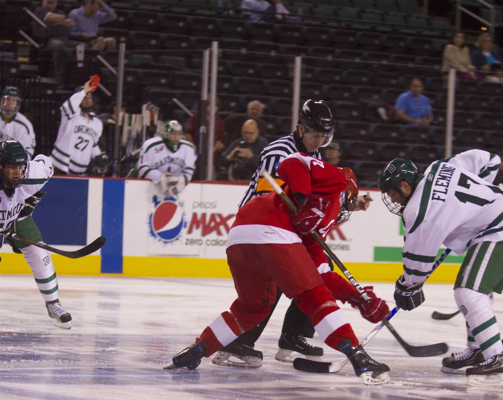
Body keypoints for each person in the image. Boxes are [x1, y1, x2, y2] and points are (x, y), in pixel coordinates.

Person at [165, 153, 391, 386]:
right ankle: (358, 356)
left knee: (253, 308)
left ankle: (197, 350)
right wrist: (303, 199)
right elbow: (291, 162)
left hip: (240, 234)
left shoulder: (320, 223)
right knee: (314, 296)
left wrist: (358, 298)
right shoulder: (337, 179)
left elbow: (323, 275)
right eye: (351, 202)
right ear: (349, 193)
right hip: (271, 230)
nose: (348, 208)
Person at [216, 99, 372, 368]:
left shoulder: (316, 155)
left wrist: (348, 203)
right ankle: (239, 342)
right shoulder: (280, 151)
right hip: (262, 226)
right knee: (275, 278)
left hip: (285, 228)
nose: (318, 140)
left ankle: (293, 335)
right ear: (301, 128)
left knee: (316, 271)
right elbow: (269, 198)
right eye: (314, 133)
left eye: (324, 135)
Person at [378, 149, 503, 386]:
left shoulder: (420, 211)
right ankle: (478, 349)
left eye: (393, 193)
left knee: (469, 292)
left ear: (405, 185)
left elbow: (417, 262)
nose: (394, 199)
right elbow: (490, 159)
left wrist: (407, 287)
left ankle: (496, 357)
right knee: (476, 291)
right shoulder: (438, 167)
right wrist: (478, 199)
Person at [0, 96, 72, 330]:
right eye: (10, 167)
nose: (16, 172)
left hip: (18, 217)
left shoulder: (33, 173)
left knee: (40, 254)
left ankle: (53, 304)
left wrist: (29, 200)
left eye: (19, 166)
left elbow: (47, 163)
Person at [50, 77, 107, 175]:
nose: (87, 101)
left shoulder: (97, 123)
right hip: (59, 166)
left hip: (80, 172)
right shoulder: (71, 115)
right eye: (84, 98)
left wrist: (99, 156)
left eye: (89, 97)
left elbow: (92, 144)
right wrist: (84, 90)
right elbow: (68, 106)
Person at [132, 120, 196, 197]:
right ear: (165, 134)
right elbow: (142, 169)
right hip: (145, 187)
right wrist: (160, 177)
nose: (175, 137)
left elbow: (188, 171)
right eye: (172, 134)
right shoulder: (151, 145)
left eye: (178, 134)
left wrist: (179, 184)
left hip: (173, 186)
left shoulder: (188, 148)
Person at [32, 0, 76, 84]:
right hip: (47, 41)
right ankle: (59, 74)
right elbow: (50, 17)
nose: (51, 1)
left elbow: (71, 23)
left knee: (82, 45)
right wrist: (61, 20)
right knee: (58, 45)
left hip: (64, 39)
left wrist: (56, 21)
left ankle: (76, 73)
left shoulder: (60, 11)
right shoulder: (40, 10)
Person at [1, 87, 36, 158]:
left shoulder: (24, 125)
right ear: (2, 100)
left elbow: (26, 152)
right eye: (8, 99)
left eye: (14, 100)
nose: (10, 103)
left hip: (13, 163)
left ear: (17, 103)